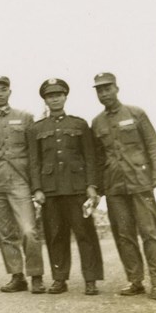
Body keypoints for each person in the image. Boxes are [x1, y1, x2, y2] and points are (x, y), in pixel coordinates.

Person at [91, 72, 156, 300]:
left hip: (139, 181)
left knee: (150, 232)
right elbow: (98, 158)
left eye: (107, 88)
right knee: (124, 234)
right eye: (100, 90)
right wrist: (97, 187)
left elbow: (153, 144)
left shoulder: (136, 113)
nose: (104, 93)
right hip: (114, 186)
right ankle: (135, 280)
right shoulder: (97, 122)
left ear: (116, 89)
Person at [28, 79, 103, 295]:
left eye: (58, 95)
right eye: (50, 96)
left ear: (65, 97)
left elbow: (90, 157)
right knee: (55, 235)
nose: (55, 99)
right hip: (50, 191)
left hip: (77, 189)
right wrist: (37, 189)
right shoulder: (36, 128)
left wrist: (91, 185)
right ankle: (59, 279)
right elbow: (34, 162)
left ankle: (91, 279)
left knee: (85, 234)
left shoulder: (79, 124)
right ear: (45, 100)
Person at [0, 76, 46, 294]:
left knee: (28, 230)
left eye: (3, 89)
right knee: (6, 233)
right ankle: (17, 276)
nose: (0, 93)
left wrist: (36, 185)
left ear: (9, 92)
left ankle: (36, 275)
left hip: (20, 180)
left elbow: (34, 155)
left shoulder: (25, 117)